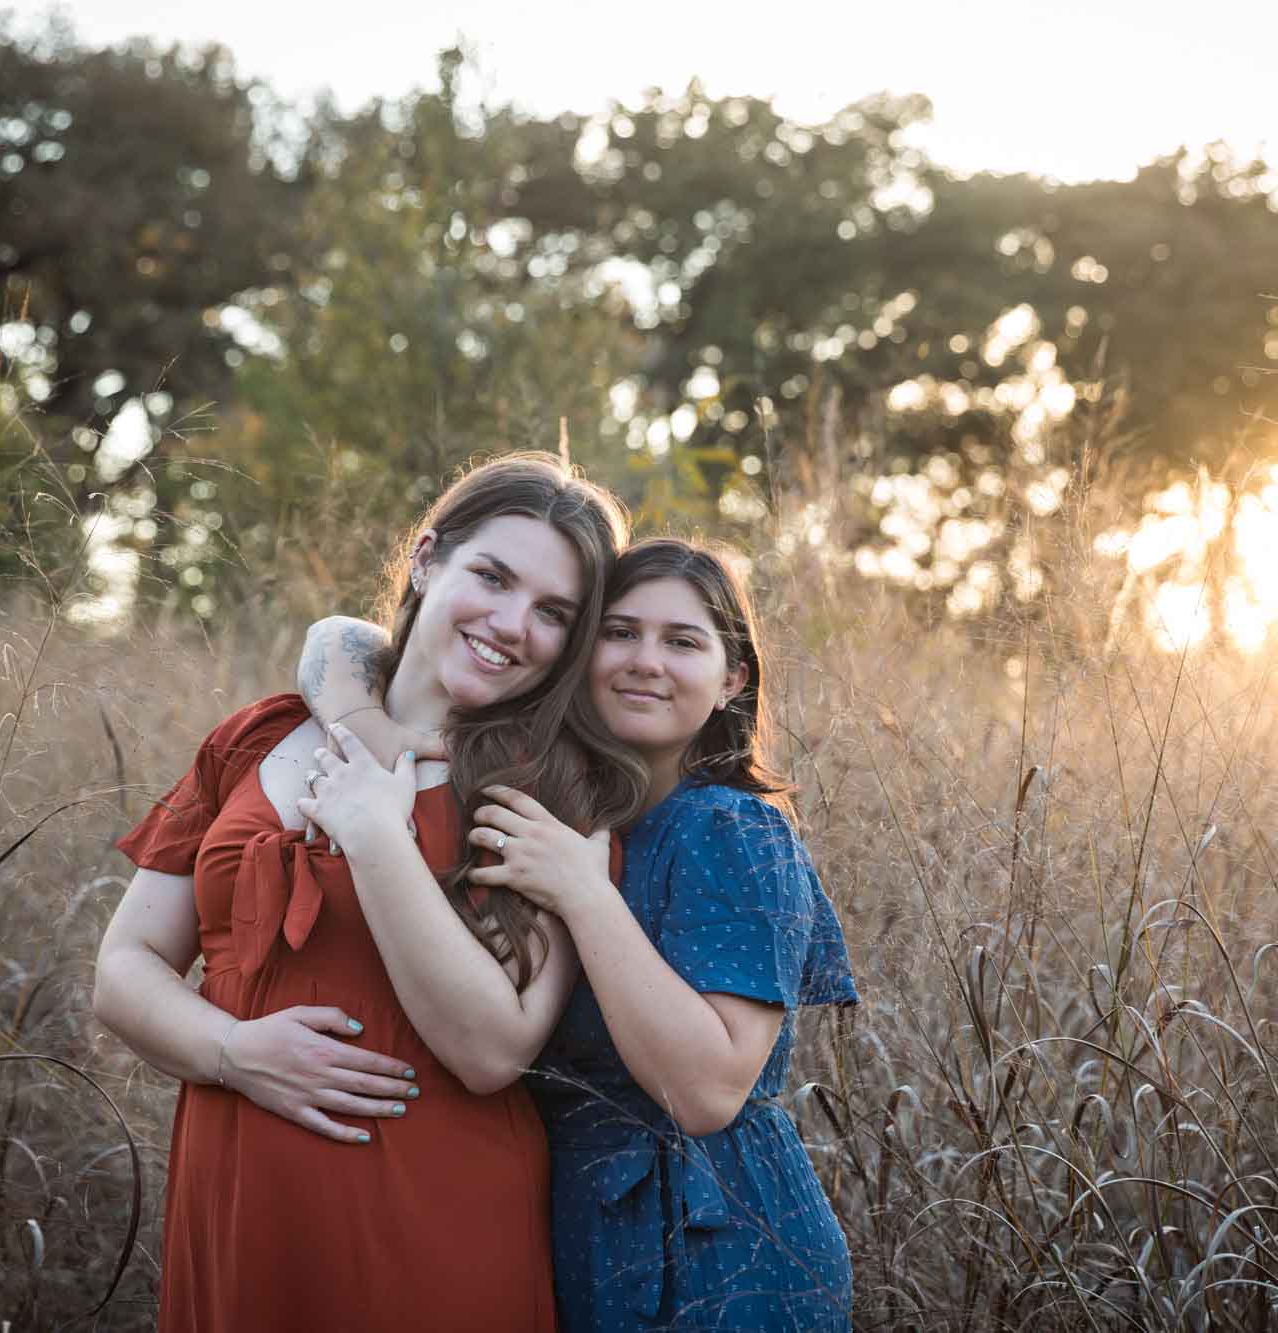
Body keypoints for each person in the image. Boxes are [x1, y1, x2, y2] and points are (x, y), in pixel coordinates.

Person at [93, 452, 644, 1333]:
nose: (510, 623)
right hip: (238, 1219)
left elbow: (493, 1050)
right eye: (492, 576)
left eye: (553, 613)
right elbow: (124, 966)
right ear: (428, 557)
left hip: (432, 1223)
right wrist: (234, 1050)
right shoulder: (258, 736)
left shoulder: (556, 800)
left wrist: (377, 834)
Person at [302, 538, 858, 1330]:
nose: (645, 660)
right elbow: (340, 637)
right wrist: (363, 721)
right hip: (585, 1230)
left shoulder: (730, 826)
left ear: (733, 678)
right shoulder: (569, 803)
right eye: (620, 631)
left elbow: (707, 1092)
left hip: (722, 1244)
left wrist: (581, 893)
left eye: (683, 641)